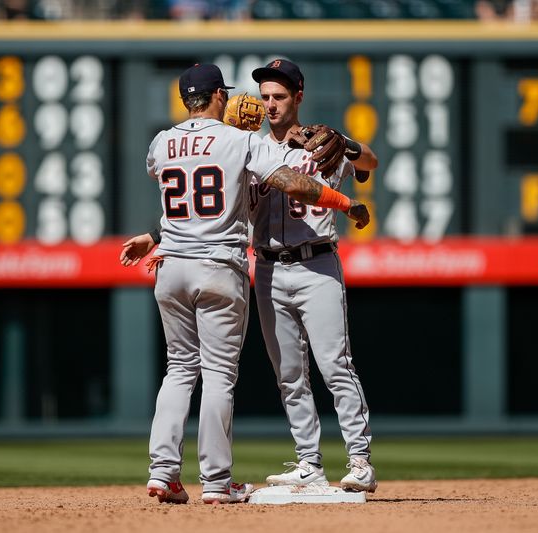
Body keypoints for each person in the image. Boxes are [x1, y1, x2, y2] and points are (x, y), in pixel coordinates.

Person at [131, 63, 369, 505]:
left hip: (169, 267)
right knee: (219, 375)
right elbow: (291, 182)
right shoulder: (238, 141)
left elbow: (182, 188)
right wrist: (344, 202)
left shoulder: (162, 142)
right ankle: (217, 482)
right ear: (218, 96)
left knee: (179, 369)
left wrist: (155, 235)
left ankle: (162, 472)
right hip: (218, 267)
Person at [248, 59, 379, 493]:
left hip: (317, 263)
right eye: (265, 96)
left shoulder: (322, 142)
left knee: (335, 365)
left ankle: (360, 461)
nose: (271, 104)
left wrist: (349, 144)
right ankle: (309, 463)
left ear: (298, 96)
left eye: (279, 96)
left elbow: (372, 162)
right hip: (266, 266)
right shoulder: (252, 150)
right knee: (288, 372)